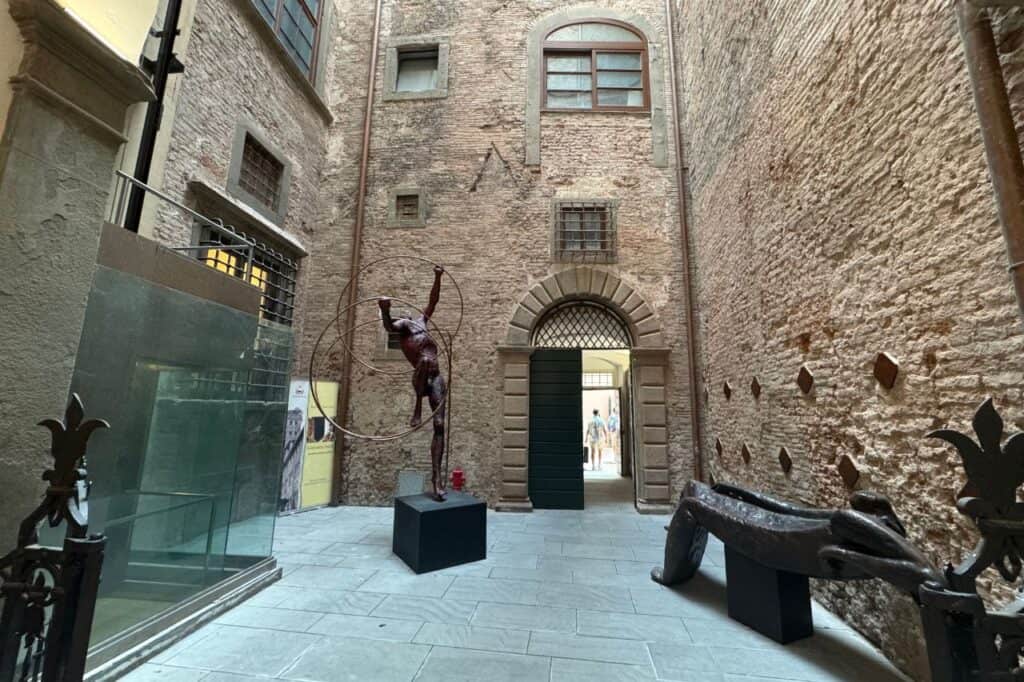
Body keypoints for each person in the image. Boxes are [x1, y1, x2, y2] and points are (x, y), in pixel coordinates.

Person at [379, 266, 447, 500]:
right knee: (425, 361)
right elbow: (388, 326)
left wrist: (438, 277)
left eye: (405, 315)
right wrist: (385, 309)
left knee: (439, 425)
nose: (405, 316)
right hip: (420, 379)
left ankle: (437, 478)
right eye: (402, 316)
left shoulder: (421, 322)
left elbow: (433, 300)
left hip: (436, 378)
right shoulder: (402, 330)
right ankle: (417, 407)